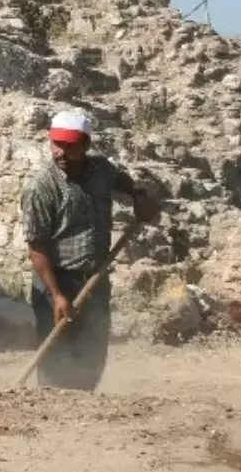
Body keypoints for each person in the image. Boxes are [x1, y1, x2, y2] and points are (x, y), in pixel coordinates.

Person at [20, 110, 158, 391]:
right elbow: (37, 248)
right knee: (56, 351)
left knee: (93, 348)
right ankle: (51, 405)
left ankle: (85, 405)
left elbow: (119, 179)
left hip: (96, 275)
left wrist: (138, 195)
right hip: (57, 280)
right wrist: (56, 295)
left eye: (69, 146)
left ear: (85, 146)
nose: (60, 152)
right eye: (56, 144)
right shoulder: (41, 188)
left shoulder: (101, 170)